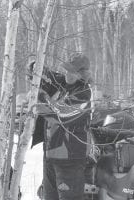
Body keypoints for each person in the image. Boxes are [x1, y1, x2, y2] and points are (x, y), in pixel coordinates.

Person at [31, 53, 92, 200]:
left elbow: (61, 113)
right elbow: (49, 76)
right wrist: (36, 67)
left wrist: (41, 98)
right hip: (51, 156)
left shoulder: (83, 93)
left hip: (69, 159)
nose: (68, 74)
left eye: (73, 72)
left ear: (82, 75)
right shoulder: (63, 84)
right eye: (67, 70)